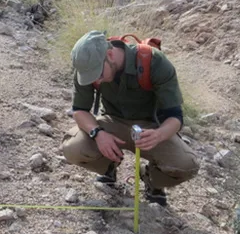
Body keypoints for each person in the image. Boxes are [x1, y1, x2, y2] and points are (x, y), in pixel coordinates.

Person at [61, 30, 199, 206]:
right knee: (73, 148)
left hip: (152, 128)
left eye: (99, 74)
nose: (97, 80)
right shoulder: (88, 66)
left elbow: (175, 117)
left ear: (109, 54)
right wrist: (98, 133)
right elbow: (80, 110)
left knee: (187, 165)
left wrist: (159, 134)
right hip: (112, 122)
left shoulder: (155, 62)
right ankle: (108, 166)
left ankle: (151, 179)